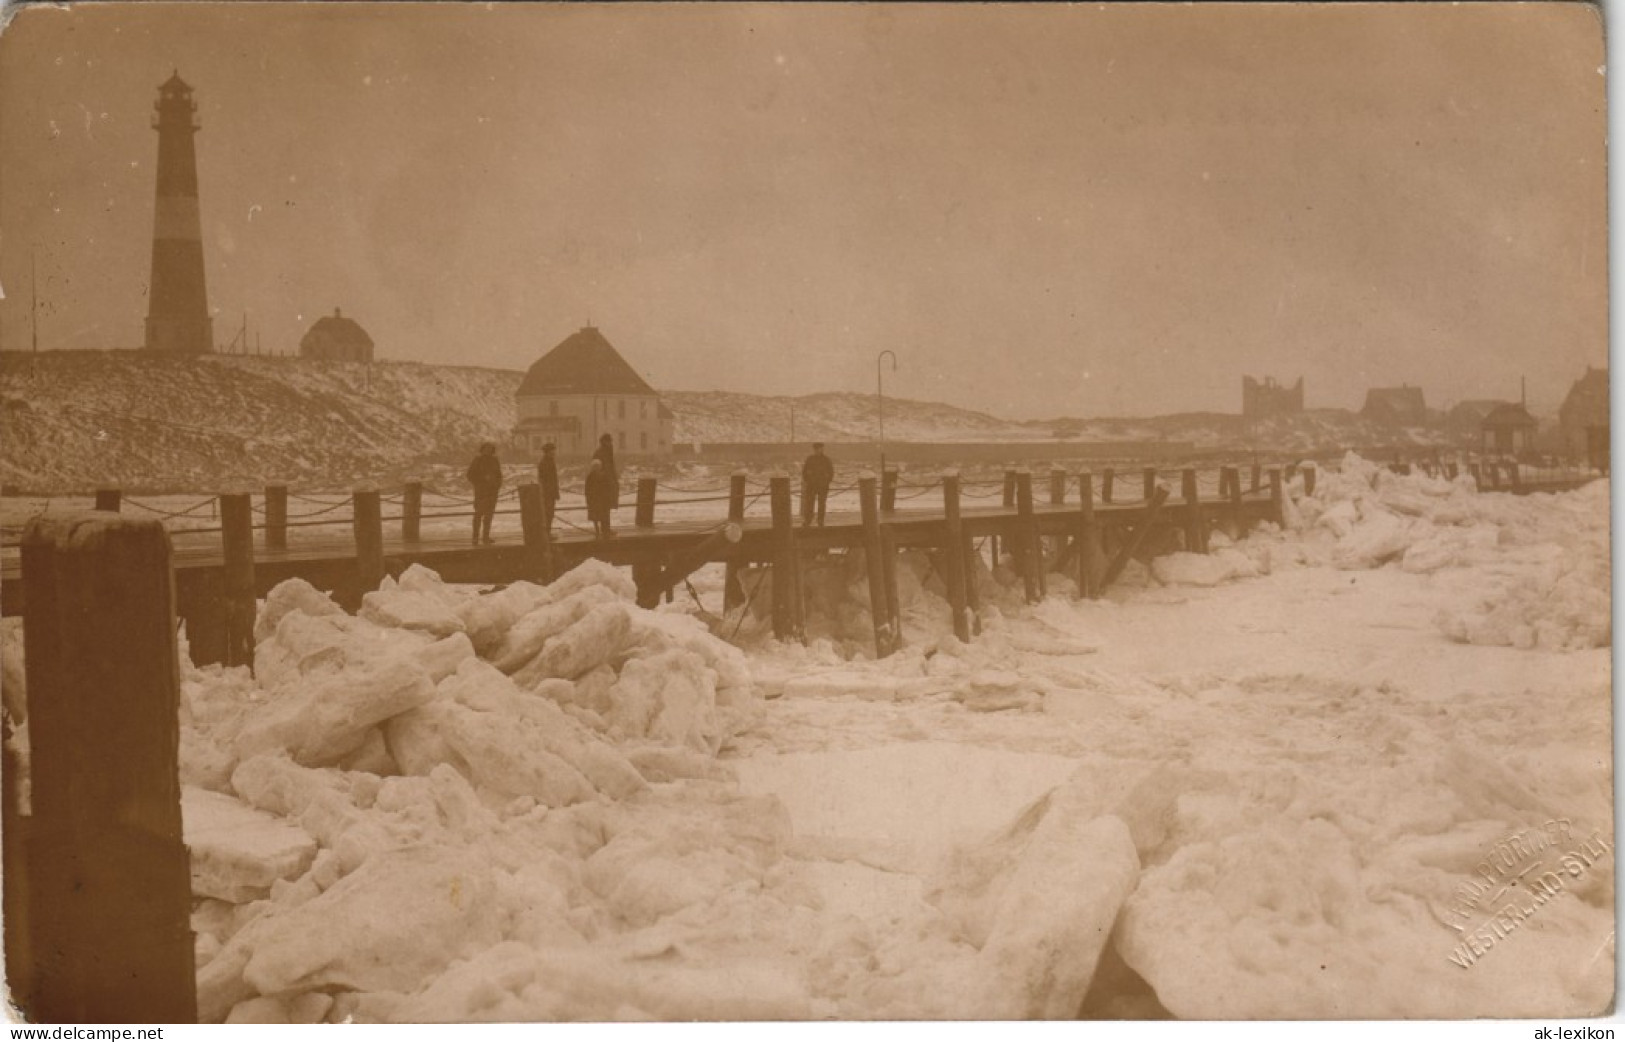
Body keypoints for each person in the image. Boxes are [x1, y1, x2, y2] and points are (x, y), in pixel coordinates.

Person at [465, 441, 502, 545]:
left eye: (490, 449)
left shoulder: (495, 460)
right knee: (478, 514)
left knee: (489, 515)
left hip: (492, 492)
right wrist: (482, 480)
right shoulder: (478, 460)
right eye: (486, 449)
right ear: (482, 449)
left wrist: (497, 485)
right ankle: (475, 537)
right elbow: (470, 475)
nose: (488, 451)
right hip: (481, 492)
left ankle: (486, 537)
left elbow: (499, 475)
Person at [801, 441, 834, 527]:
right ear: (814, 449)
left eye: (820, 448)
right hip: (812, 485)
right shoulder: (810, 459)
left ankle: (820, 520)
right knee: (809, 504)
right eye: (817, 449)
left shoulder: (826, 460)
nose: (819, 450)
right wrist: (808, 480)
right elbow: (804, 472)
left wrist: (826, 481)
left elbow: (831, 473)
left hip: (823, 485)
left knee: (821, 503)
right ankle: (808, 520)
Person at [585, 458, 615, 539]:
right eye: (596, 466)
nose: (598, 468)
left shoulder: (601, 475)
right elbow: (587, 489)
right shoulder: (591, 476)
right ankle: (598, 530)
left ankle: (604, 530)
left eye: (598, 466)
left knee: (602, 515)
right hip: (595, 499)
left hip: (602, 499)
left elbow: (608, 487)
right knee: (596, 516)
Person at [536, 442, 560, 533]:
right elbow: (545, 479)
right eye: (552, 450)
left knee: (549, 513)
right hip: (548, 493)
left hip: (550, 492)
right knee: (548, 513)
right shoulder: (545, 462)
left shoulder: (549, 461)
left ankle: (547, 531)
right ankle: (546, 532)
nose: (554, 452)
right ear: (548, 452)